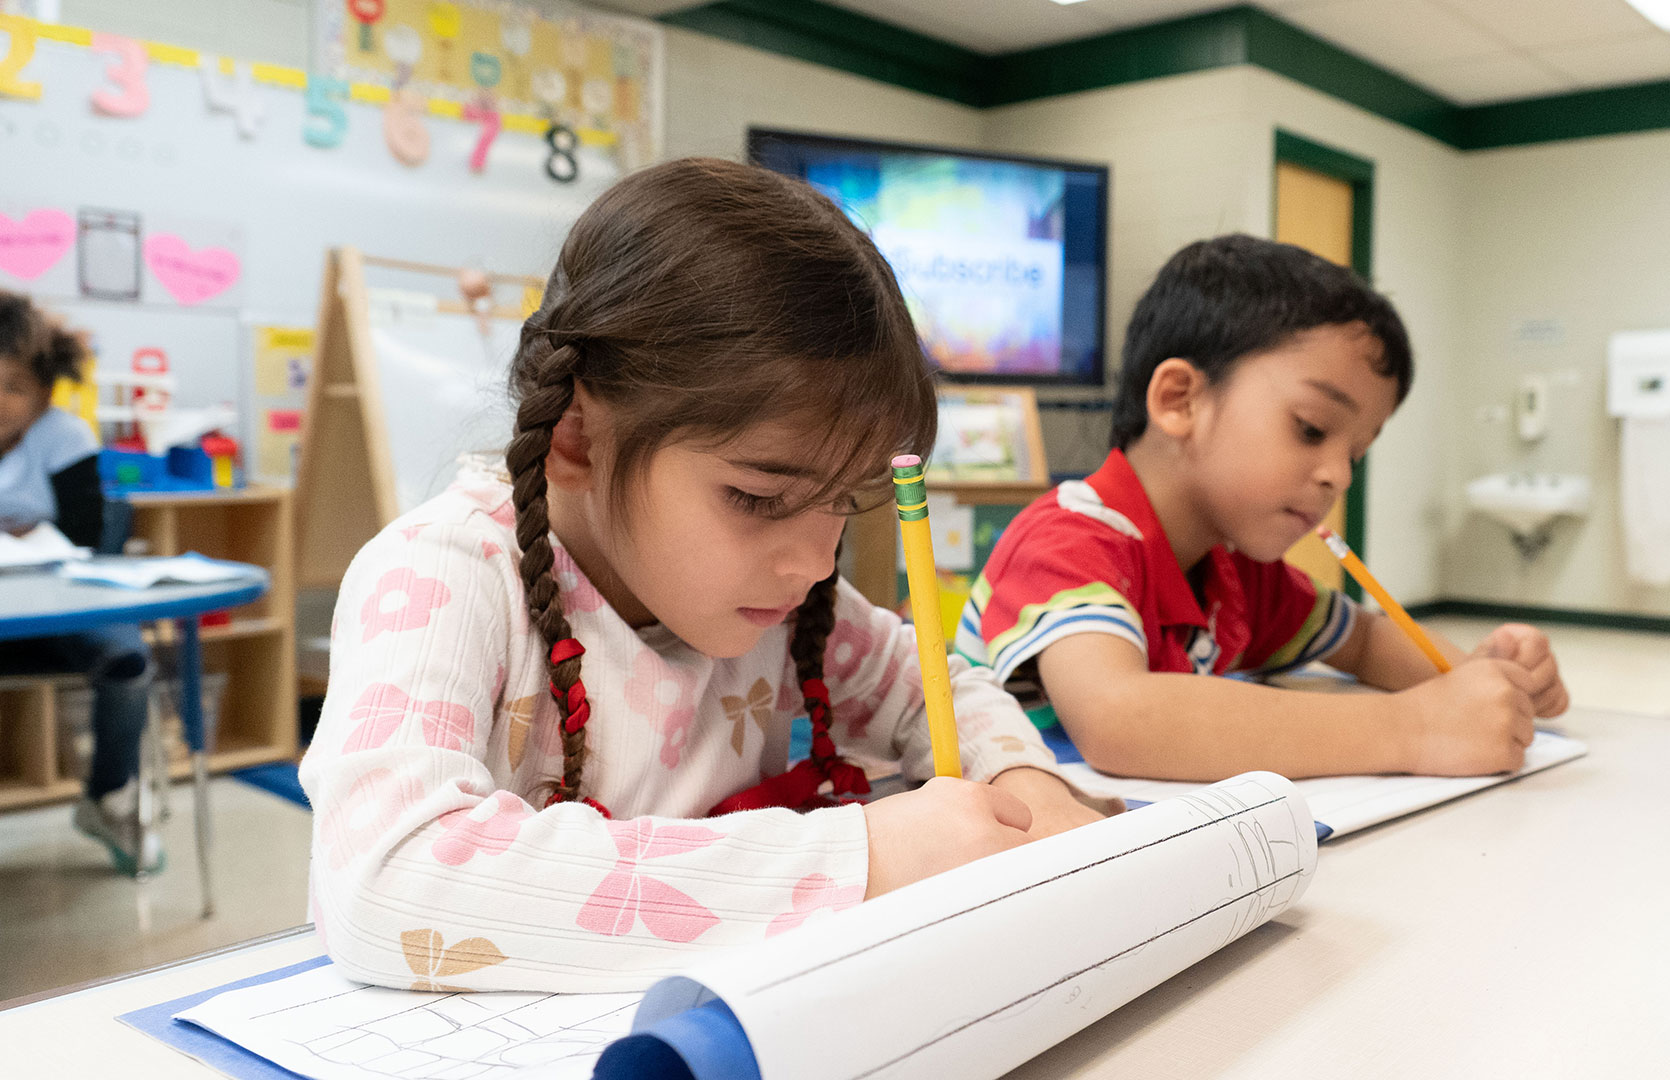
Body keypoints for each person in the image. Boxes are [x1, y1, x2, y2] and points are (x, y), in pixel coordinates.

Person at [300, 158, 1115, 993]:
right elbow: (385, 880)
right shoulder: (442, 576)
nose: (816, 562)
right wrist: (864, 856)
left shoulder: (788, 606)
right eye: (758, 498)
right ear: (579, 436)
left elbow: (936, 687)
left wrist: (1020, 780)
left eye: (843, 500)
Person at [958, 236, 1570, 782]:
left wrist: (1490, 682)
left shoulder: (1237, 574)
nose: (1338, 475)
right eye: (1311, 428)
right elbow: (1119, 718)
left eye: (1355, 454)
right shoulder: (1063, 543)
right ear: (1180, 401)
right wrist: (1414, 728)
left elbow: (1363, 640)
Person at [0, 292, 158, 873]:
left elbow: (85, 536)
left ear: (46, 391)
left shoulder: (65, 436)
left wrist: (32, 538)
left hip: (59, 607)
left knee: (128, 661)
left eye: (14, 387)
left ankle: (108, 797)